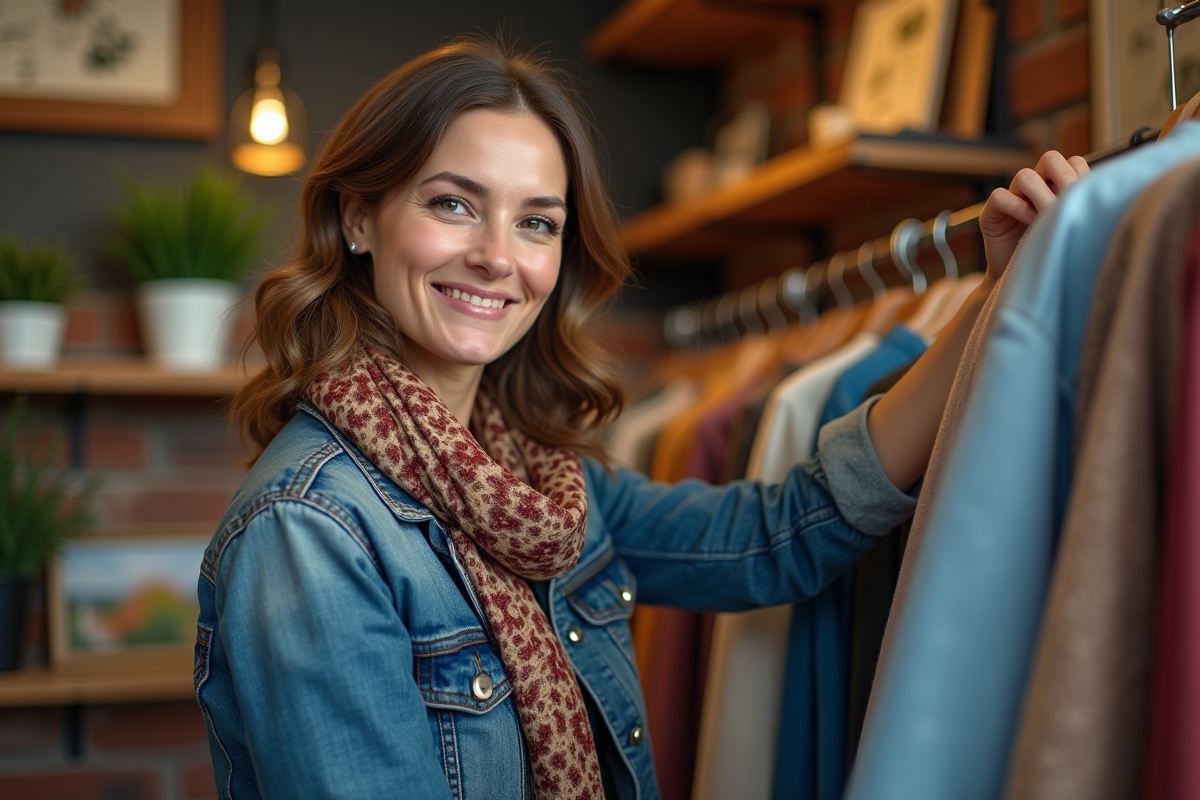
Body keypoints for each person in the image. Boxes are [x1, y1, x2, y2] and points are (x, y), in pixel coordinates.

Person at [193, 37, 1088, 800]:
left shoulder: (539, 484)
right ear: (360, 217)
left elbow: (775, 538)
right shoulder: (309, 530)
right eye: (453, 203)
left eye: (538, 223)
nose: (498, 257)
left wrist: (993, 298)